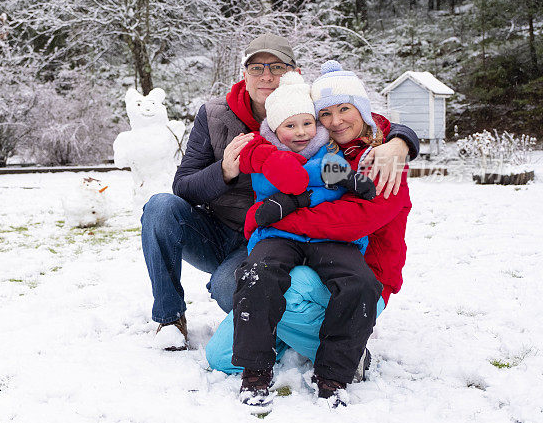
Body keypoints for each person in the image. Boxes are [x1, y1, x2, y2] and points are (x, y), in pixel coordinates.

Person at [141, 34, 419, 351]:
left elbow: (360, 119)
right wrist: (225, 171)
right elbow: (184, 186)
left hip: (273, 238)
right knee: (161, 206)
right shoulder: (215, 115)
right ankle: (170, 318)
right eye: (257, 67)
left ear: (294, 74)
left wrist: (401, 140)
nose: (267, 76)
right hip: (222, 229)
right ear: (244, 74)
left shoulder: (308, 108)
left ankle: (307, 337)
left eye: (277, 67)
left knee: (226, 287)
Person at [205, 61, 414, 406]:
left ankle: (342, 360)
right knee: (221, 355)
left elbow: (346, 222)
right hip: (304, 261)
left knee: (284, 284)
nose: (336, 120)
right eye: (325, 113)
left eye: (345, 109)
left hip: (362, 279)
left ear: (362, 110)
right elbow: (262, 150)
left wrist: (269, 216)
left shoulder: (385, 159)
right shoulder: (321, 147)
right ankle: (306, 342)